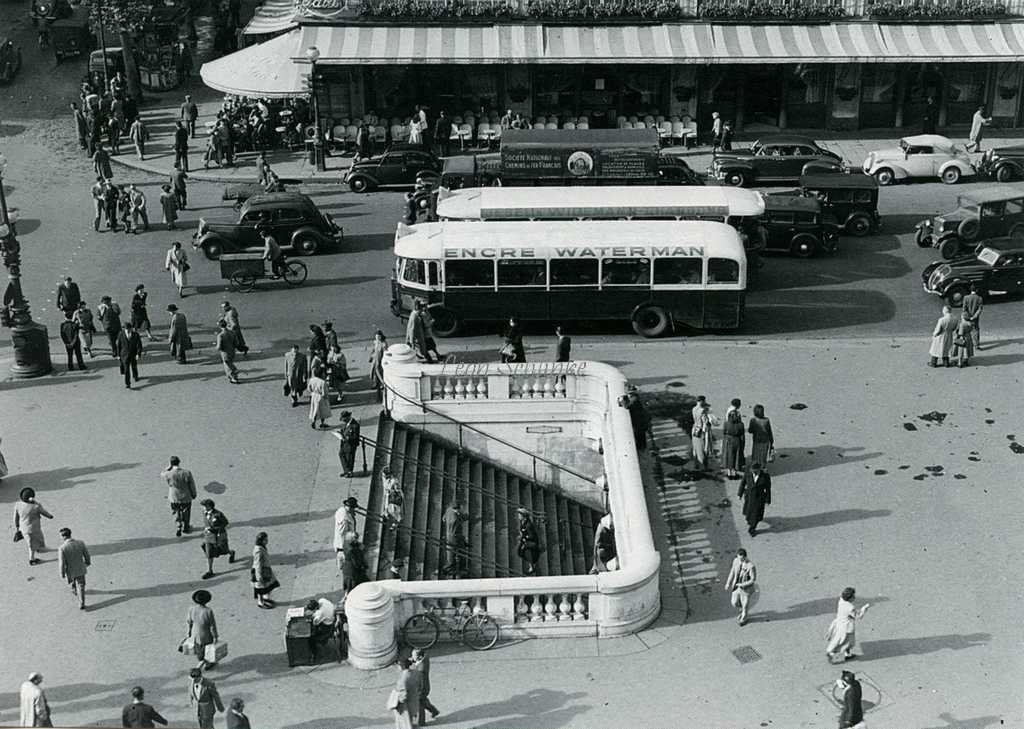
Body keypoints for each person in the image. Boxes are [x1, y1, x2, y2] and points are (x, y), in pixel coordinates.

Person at [826, 587, 870, 663]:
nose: (854, 597)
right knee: (847, 642)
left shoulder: (841, 601)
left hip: (839, 624)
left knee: (842, 641)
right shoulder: (850, 607)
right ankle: (833, 655)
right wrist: (864, 609)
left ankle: (846, 654)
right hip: (846, 628)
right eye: (853, 596)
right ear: (850, 598)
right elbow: (858, 616)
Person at [14, 487, 54, 566]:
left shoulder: (18, 505)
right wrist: (50, 515)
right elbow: (46, 514)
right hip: (33, 529)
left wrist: (17, 526)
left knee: (35, 540)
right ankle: (32, 559)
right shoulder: (36, 507)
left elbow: (15, 517)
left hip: (23, 528)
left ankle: (39, 548)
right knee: (32, 545)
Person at [199, 499, 235, 579]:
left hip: (219, 536)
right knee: (209, 553)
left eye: (205, 506)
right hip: (209, 536)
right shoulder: (204, 513)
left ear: (210, 506)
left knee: (223, 550)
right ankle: (210, 570)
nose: (204, 508)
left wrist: (216, 528)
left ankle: (231, 553)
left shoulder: (218, 514)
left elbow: (225, 522)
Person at [57, 527, 91, 610]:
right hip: (80, 568)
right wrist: (87, 562)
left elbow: (62, 563)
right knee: (81, 585)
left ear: (63, 536)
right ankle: (81, 602)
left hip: (70, 570)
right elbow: (86, 554)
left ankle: (74, 590)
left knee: (72, 581)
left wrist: (62, 573)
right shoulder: (80, 543)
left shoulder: (62, 548)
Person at [163, 456, 197, 536]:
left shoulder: (168, 473)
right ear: (179, 462)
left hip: (174, 496)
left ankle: (178, 525)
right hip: (186, 496)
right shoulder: (187, 472)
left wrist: (168, 468)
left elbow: (162, 474)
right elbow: (192, 484)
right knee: (187, 511)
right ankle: (186, 527)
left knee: (176, 511)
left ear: (171, 464)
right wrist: (193, 494)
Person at [186, 590, 219, 668]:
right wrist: (215, 636)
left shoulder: (191, 609)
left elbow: (189, 622)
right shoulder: (208, 611)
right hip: (205, 634)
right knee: (207, 649)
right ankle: (206, 664)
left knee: (198, 649)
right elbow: (212, 626)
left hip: (195, 633)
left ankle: (200, 659)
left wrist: (188, 632)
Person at [738, 462, 771, 537]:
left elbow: (768, 489)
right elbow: (743, 483)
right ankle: (750, 521)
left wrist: (767, 500)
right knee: (748, 512)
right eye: (752, 471)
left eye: (755, 471)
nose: (754, 472)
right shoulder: (748, 474)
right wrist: (739, 494)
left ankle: (752, 529)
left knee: (756, 515)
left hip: (759, 498)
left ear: (759, 470)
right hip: (749, 497)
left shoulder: (765, 476)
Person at [724, 548, 756, 626]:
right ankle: (742, 610)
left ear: (745, 557)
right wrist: (728, 583)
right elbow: (732, 571)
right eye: (738, 558)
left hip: (745, 588)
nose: (739, 560)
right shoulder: (736, 561)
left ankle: (744, 618)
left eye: (741, 559)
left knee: (745, 605)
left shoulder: (750, 566)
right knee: (734, 603)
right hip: (736, 586)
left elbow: (753, 579)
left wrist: (742, 584)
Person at [412, 647, 440, 724]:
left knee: (420, 704)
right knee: (424, 701)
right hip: (425, 687)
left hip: (422, 688)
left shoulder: (421, 669)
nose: (412, 657)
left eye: (413, 656)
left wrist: (419, 692)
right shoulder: (424, 660)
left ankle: (421, 721)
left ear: (419, 657)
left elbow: (421, 681)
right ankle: (434, 711)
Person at [251, 531, 279, 609]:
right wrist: (259, 576)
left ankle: (265, 598)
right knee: (260, 588)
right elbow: (258, 565)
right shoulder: (258, 551)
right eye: (265, 539)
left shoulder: (261, 547)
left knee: (267, 586)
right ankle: (260, 602)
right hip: (260, 571)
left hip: (265, 570)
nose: (267, 541)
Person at [392, 657, 420, 729]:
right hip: (415, 701)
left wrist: (396, 699)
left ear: (402, 667)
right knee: (414, 722)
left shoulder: (403, 679)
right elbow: (420, 685)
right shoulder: (416, 673)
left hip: (406, 706)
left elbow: (403, 696)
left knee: (405, 724)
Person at [692, 400, 719, 472]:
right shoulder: (704, 414)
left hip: (695, 429)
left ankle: (696, 464)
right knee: (703, 449)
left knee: (695, 448)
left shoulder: (694, 409)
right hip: (702, 432)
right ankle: (704, 467)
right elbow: (715, 423)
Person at [442, 500, 467, 578]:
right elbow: (458, 524)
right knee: (453, 553)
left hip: (449, 534)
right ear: (457, 509)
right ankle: (449, 569)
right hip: (454, 537)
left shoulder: (449, 509)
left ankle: (451, 567)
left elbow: (444, 518)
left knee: (451, 553)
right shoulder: (455, 519)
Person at [116, 321, 143, 389]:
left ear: (131, 328)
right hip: (124, 355)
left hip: (133, 354)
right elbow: (118, 345)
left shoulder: (136, 335)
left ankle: (135, 376)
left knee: (134, 366)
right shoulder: (121, 335)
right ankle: (127, 383)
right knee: (126, 369)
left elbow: (139, 345)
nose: (127, 330)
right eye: (126, 329)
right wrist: (118, 355)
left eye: (128, 329)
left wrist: (138, 354)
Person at [334, 496, 359, 570]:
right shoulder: (344, 519)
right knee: (345, 564)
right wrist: (353, 535)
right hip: (343, 545)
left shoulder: (342, 511)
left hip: (344, 544)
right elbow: (342, 532)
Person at [747, 404, 775, 468]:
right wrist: (772, 441)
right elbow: (769, 431)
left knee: (756, 455)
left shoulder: (753, 420)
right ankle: (762, 467)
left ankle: (755, 467)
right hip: (765, 440)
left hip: (756, 440)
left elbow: (750, 430)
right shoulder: (766, 420)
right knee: (763, 455)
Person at [215, 319, 241, 384]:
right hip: (232, 351)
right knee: (230, 363)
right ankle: (233, 375)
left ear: (220, 326)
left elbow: (219, 347)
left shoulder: (220, 335)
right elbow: (237, 343)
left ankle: (234, 377)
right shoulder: (232, 332)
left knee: (228, 365)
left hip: (225, 352)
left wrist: (216, 348)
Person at [516, 507, 540, 575]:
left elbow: (531, 536)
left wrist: (524, 537)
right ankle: (532, 564)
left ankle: (532, 567)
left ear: (524, 516)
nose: (518, 516)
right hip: (525, 540)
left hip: (531, 542)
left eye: (520, 515)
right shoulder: (523, 522)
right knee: (520, 552)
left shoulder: (528, 525)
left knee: (526, 552)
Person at [722, 409, 745, 478]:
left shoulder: (726, 423)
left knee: (729, 456)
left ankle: (729, 472)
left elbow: (724, 432)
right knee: (736, 456)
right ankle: (734, 472)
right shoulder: (741, 424)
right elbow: (742, 435)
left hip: (728, 440)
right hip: (737, 440)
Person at [625, 386, 649, 451]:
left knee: (639, 435)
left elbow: (628, 406)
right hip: (641, 421)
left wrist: (623, 403)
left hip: (638, 422)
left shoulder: (634, 399)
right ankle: (643, 448)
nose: (629, 395)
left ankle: (641, 448)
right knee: (641, 436)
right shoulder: (637, 399)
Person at [338, 410, 360, 477]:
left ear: (348, 417)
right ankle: (346, 471)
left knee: (349, 458)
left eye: (344, 419)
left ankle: (349, 472)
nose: (343, 421)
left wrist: (348, 438)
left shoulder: (355, 425)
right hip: (344, 443)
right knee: (341, 454)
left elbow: (355, 436)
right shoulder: (347, 423)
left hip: (351, 444)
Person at [961, 283, 983, 350]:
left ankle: (965, 343)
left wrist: (967, 316)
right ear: (976, 290)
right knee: (976, 330)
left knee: (965, 330)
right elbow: (980, 309)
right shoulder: (979, 298)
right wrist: (974, 316)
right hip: (975, 318)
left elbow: (964, 309)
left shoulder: (966, 298)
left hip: (967, 317)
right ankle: (976, 345)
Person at [382, 466, 403, 531]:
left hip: (394, 497)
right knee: (387, 509)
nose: (384, 476)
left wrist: (393, 491)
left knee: (394, 511)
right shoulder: (384, 478)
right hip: (388, 496)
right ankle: (387, 517)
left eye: (385, 475)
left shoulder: (394, 481)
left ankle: (395, 524)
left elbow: (397, 490)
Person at [369, 329, 387, 397]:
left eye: (378, 336)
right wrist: (371, 356)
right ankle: (375, 383)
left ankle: (382, 384)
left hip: (380, 359)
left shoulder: (384, 344)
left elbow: (385, 352)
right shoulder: (375, 342)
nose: (377, 338)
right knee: (374, 372)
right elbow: (373, 349)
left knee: (380, 372)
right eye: (376, 336)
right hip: (375, 359)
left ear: (381, 336)